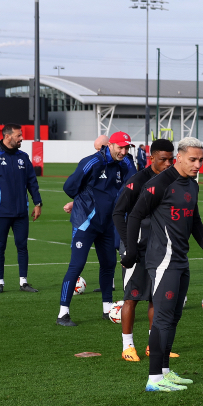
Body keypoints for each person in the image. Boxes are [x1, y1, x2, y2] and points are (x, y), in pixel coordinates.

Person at [122, 138, 203, 392]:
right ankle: (154, 379)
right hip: (163, 260)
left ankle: (165, 371)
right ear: (179, 157)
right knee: (163, 319)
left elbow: (195, 219)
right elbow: (134, 215)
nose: (198, 164)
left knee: (174, 317)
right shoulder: (159, 184)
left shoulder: (192, 184)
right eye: (193, 159)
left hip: (181, 259)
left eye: (201, 160)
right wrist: (132, 250)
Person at [56, 132, 136, 327]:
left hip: (108, 223)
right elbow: (69, 187)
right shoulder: (92, 162)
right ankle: (63, 313)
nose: (123, 152)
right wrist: (82, 201)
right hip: (86, 222)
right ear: (110, 145)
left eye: (127, 148)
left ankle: (107, 309)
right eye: (120, 147)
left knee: (109, 264)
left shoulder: (125, 164)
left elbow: (134, 186)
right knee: (77, 265)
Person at [112, 138, 175, 362]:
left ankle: (153, 346)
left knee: (156, 298)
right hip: (136, 246)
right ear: (152, 158)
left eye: (171, 159)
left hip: (160, 246)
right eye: (163, 160)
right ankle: (127, 346)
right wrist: (128, 245)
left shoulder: (173, 181)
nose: (168, 164)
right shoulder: (137, 181)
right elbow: (119, 213)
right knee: (131, 297)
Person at [0, 123, 42, 294]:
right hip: (0, 212)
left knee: (22, 246)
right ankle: (0, 283)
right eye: (18, 136)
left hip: (21, 211)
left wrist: (37, 203)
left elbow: (32, 182)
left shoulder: (23, 156)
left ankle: (24, 282)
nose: (22, 138)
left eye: (21, 135)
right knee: (0, 247)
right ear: (7, 136)